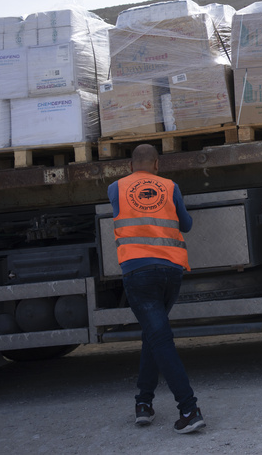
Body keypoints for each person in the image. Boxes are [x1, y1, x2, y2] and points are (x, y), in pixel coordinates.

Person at [108, 143, 205, 434]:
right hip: (170, 272)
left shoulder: (116, 188)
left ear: (130, 166)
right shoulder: (170, 186)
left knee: (158, 337)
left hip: (138, 273)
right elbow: (185, 225)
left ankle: (189, 409)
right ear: (157, 164)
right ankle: (143, 403)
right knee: (154, 335)